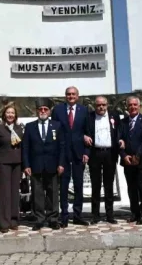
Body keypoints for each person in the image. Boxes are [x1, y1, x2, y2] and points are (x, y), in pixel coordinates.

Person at [23, 98, 65, 230]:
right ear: (37, 111)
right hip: (36, 166)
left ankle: (53, 219)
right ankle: (39, 219)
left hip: (53, 166)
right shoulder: (30, 127)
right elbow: (25, 148)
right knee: (37, 194)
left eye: (45, 109)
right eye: (40, 109)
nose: (42, 111)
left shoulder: (57, 125)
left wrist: (61, 164)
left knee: (53, 193)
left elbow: (61, 147)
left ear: (49, 111)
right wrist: (27, 165)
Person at [50, 86, 89, 227]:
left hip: (79, 153)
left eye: (73, 94)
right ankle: (64, 215)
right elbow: (53, 130)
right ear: (65, 96)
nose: (71, 96)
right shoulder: (58, 110)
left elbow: (88, 132)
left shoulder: (84, 110)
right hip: (63, 153)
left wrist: (86, 152)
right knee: (64, 186)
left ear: (77, 96)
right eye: (68, 94)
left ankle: (78, 215)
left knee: (79, 185)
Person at [83, 96, 120, 224]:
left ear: (107, 104)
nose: (101, 107)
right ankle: (95, 215)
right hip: (95, 154)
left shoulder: (114, 115)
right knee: (96, 185)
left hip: (110, 153)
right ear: (95, 105)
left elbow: (119, 132)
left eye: (103, 105)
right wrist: (84, 136)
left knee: (109, 185)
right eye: (98, 105)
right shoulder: (89, 116)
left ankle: (110, 215)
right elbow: (83, 131)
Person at [119, 96, 142, 224]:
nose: (132, 107)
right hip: (128, 161)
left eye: (135, 105)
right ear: (127, 107)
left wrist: (137, 155)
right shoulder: (123, 122)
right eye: (130, 105)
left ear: (139, 106)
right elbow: (119, 140)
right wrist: (123, 155)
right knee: (131, 188)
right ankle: (135, 213)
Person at [0, 105, 25, 232]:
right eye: (8, 113)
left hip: (17, 163)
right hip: (4, 163)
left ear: (15, 115)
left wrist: (24, 165)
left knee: (14, 193)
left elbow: (23, 147)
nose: (10, 115)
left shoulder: (20, 128)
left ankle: (14, 220)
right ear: (4, 114)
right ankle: (4, 222)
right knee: (5, 193)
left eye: (12, 113)